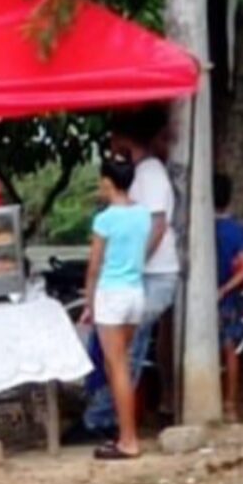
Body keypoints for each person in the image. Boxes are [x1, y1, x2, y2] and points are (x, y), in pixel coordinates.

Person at [79, 107, 178, 438]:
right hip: (141, 278)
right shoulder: (142, 173)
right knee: (125, 355)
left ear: (124, 139)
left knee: (125, 356)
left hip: (149, 276)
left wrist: (131, 264)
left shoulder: (149, 174)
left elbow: (158, 224)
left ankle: (104, 421)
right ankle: (110, 420)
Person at [82, 157, 150, 460]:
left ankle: (128, 439)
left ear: (108, 182)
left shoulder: (105, 219)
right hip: (136, 293)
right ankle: (124, 432)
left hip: (112, 294)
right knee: (118, 364)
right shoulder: (142, 215)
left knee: (117, 366)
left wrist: (88, 301)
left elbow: (95, 265)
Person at [214, 173, 243, 423]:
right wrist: (227, 289)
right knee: (230, 351)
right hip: (227, 300)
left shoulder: (202, 228)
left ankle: (226, 405)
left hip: (216, 299)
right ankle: (230, 406)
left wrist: (221, 289)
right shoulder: (234, 229)